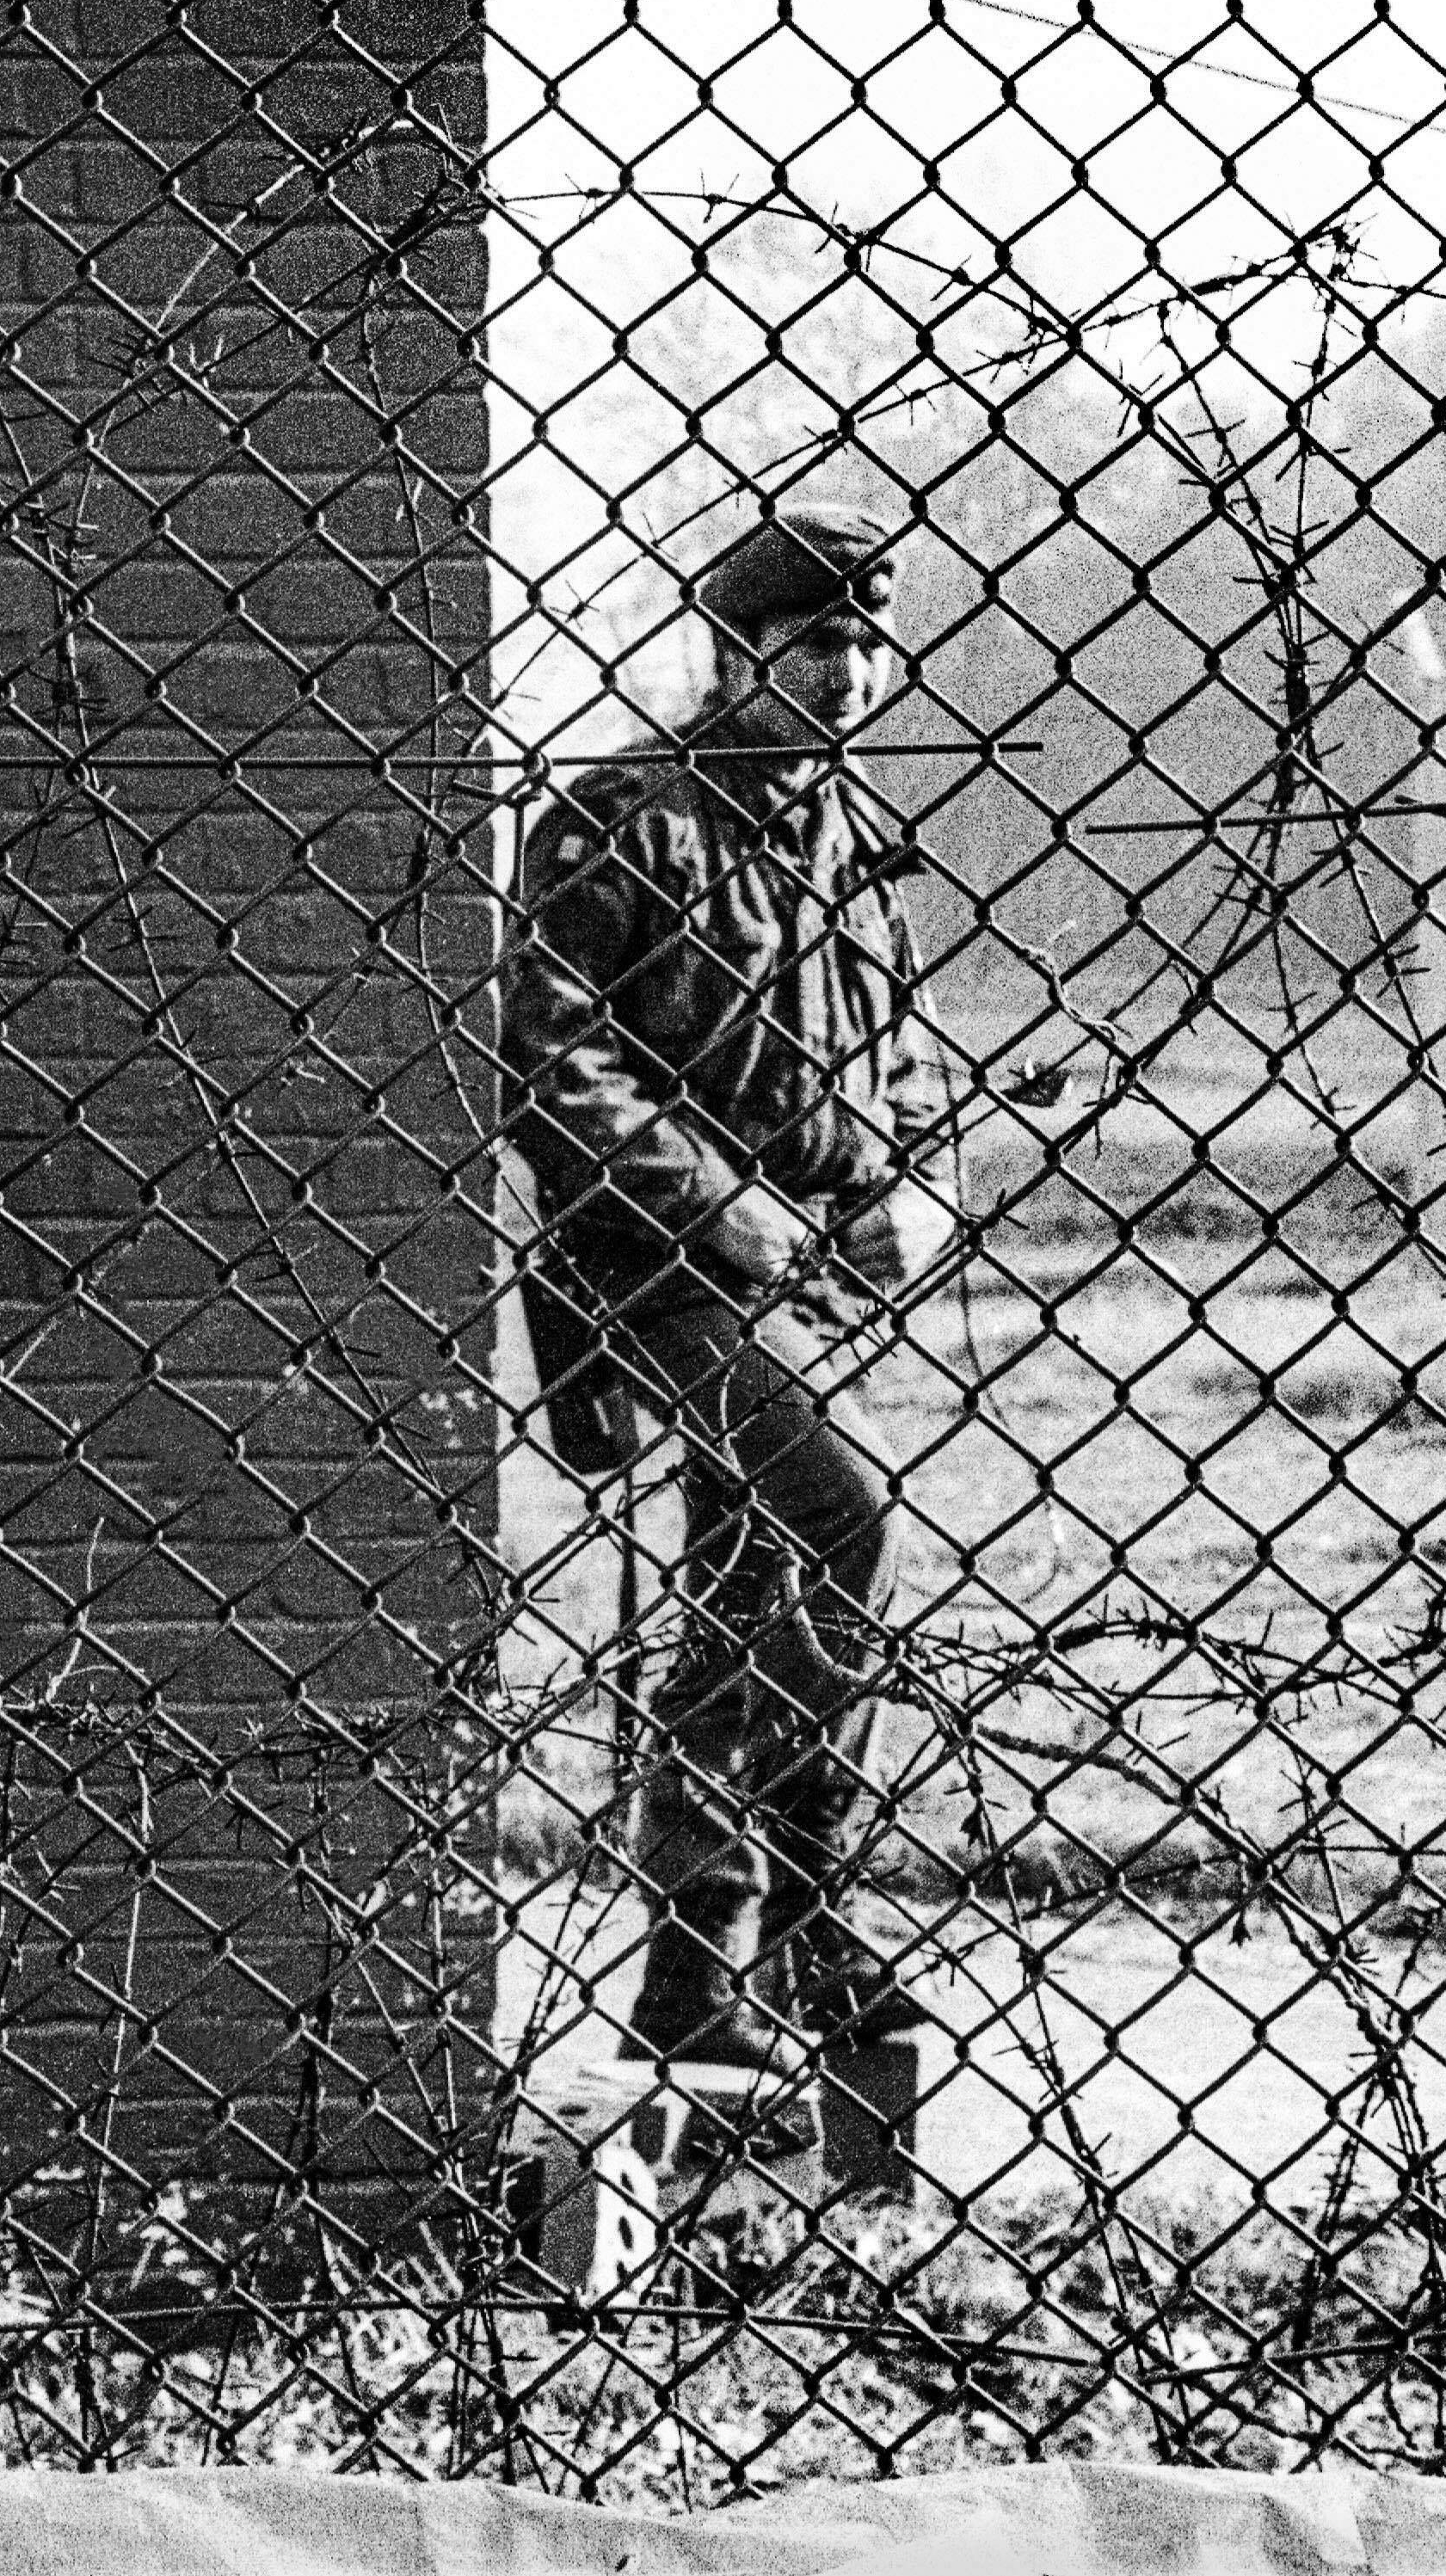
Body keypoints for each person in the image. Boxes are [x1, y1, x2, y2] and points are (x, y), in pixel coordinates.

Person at [502, 498, 955, 2087]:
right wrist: (730, 1207)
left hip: (806, 1274)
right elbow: (550, 1059)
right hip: (649, 1269)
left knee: (750, 1588)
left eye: (869, 637)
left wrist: (911, 1186)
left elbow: (896, 1059)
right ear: (737, 646)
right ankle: (810, 1903)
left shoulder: (850, 838)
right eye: (818, 637)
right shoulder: (624, 815)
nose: (851, 668)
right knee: (839, 1519)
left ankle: (707, 1963)